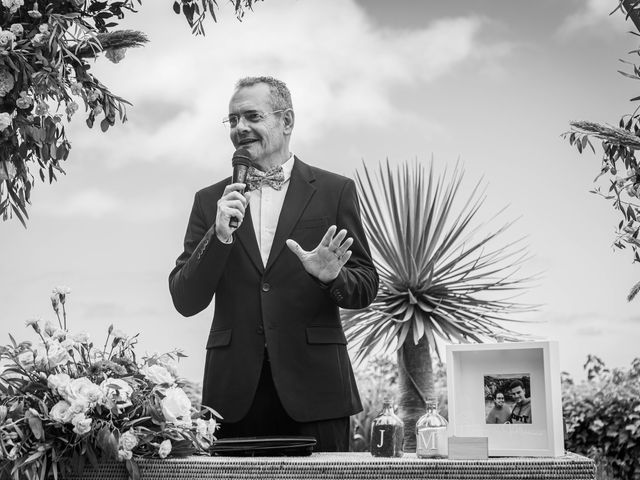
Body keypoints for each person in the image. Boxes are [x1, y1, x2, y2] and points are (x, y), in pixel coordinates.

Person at [168, 76, 379, 451]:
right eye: (232, 120)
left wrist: (334, 277)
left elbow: (365, 285)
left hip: (317, 393)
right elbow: (186, 299)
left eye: (252, 116)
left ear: (287, 121)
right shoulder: (209, 202)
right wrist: (218, 238)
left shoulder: (335, 190)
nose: (240, 128)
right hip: (232, 398)